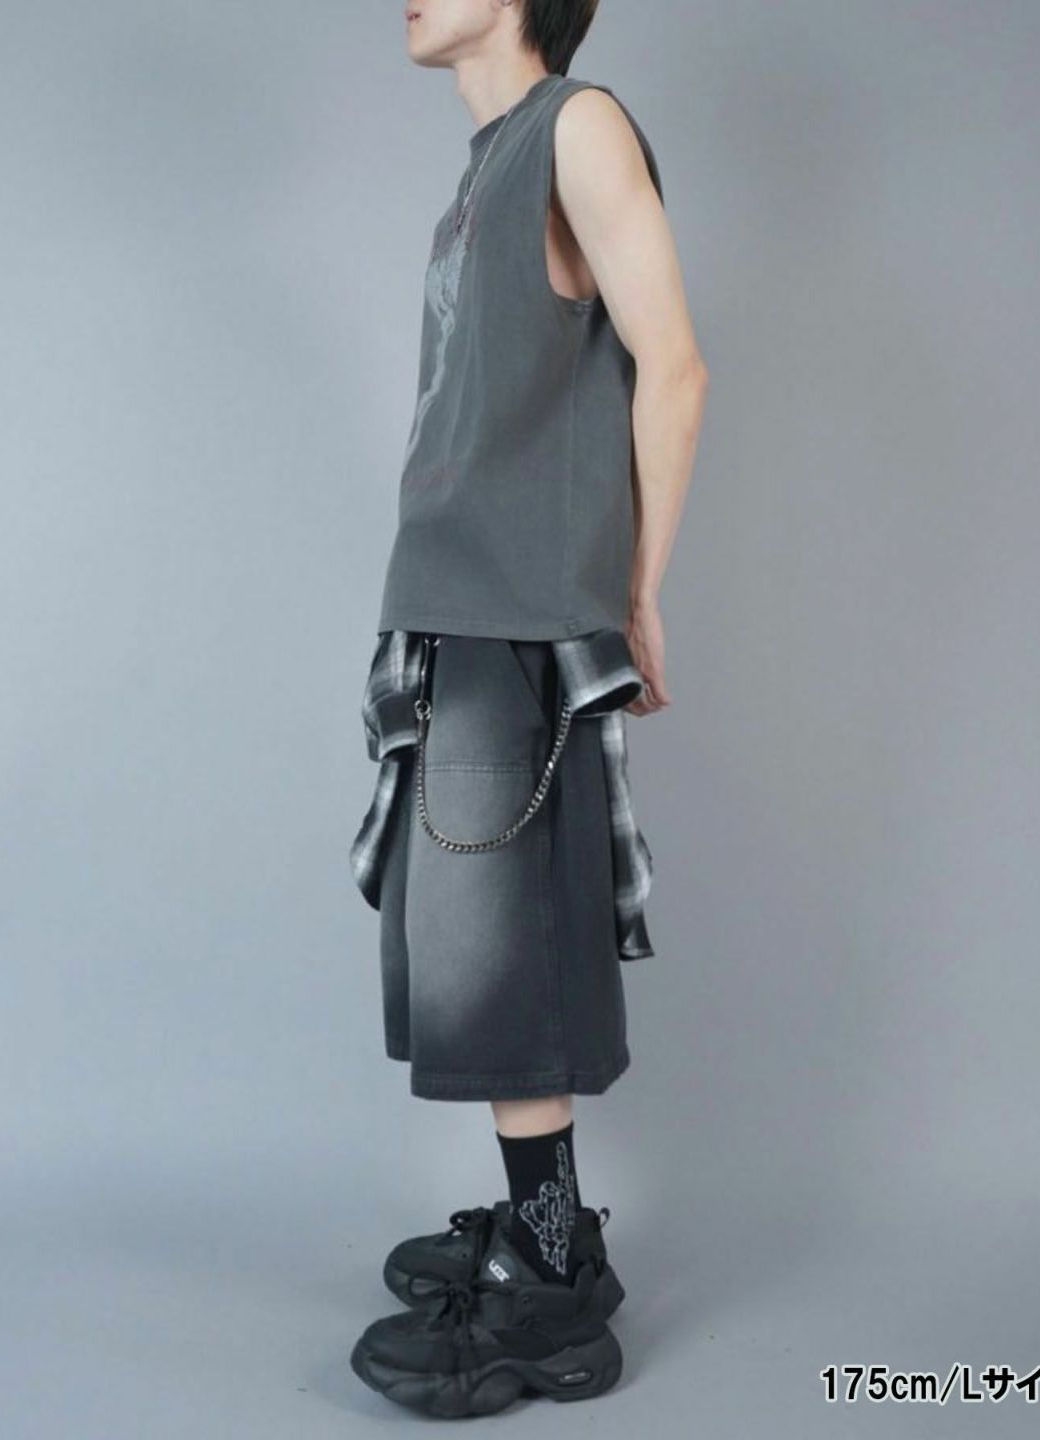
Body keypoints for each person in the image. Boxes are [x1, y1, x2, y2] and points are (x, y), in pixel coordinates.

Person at [347, 0, 707, 1416]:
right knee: (465, 949)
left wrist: (637, 591)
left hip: (521, 612)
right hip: (455, 605)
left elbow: (673, 362)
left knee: (504, 954)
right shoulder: (489, 161)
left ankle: (551, 1288)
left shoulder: (578, 126)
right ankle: (539, 1227)